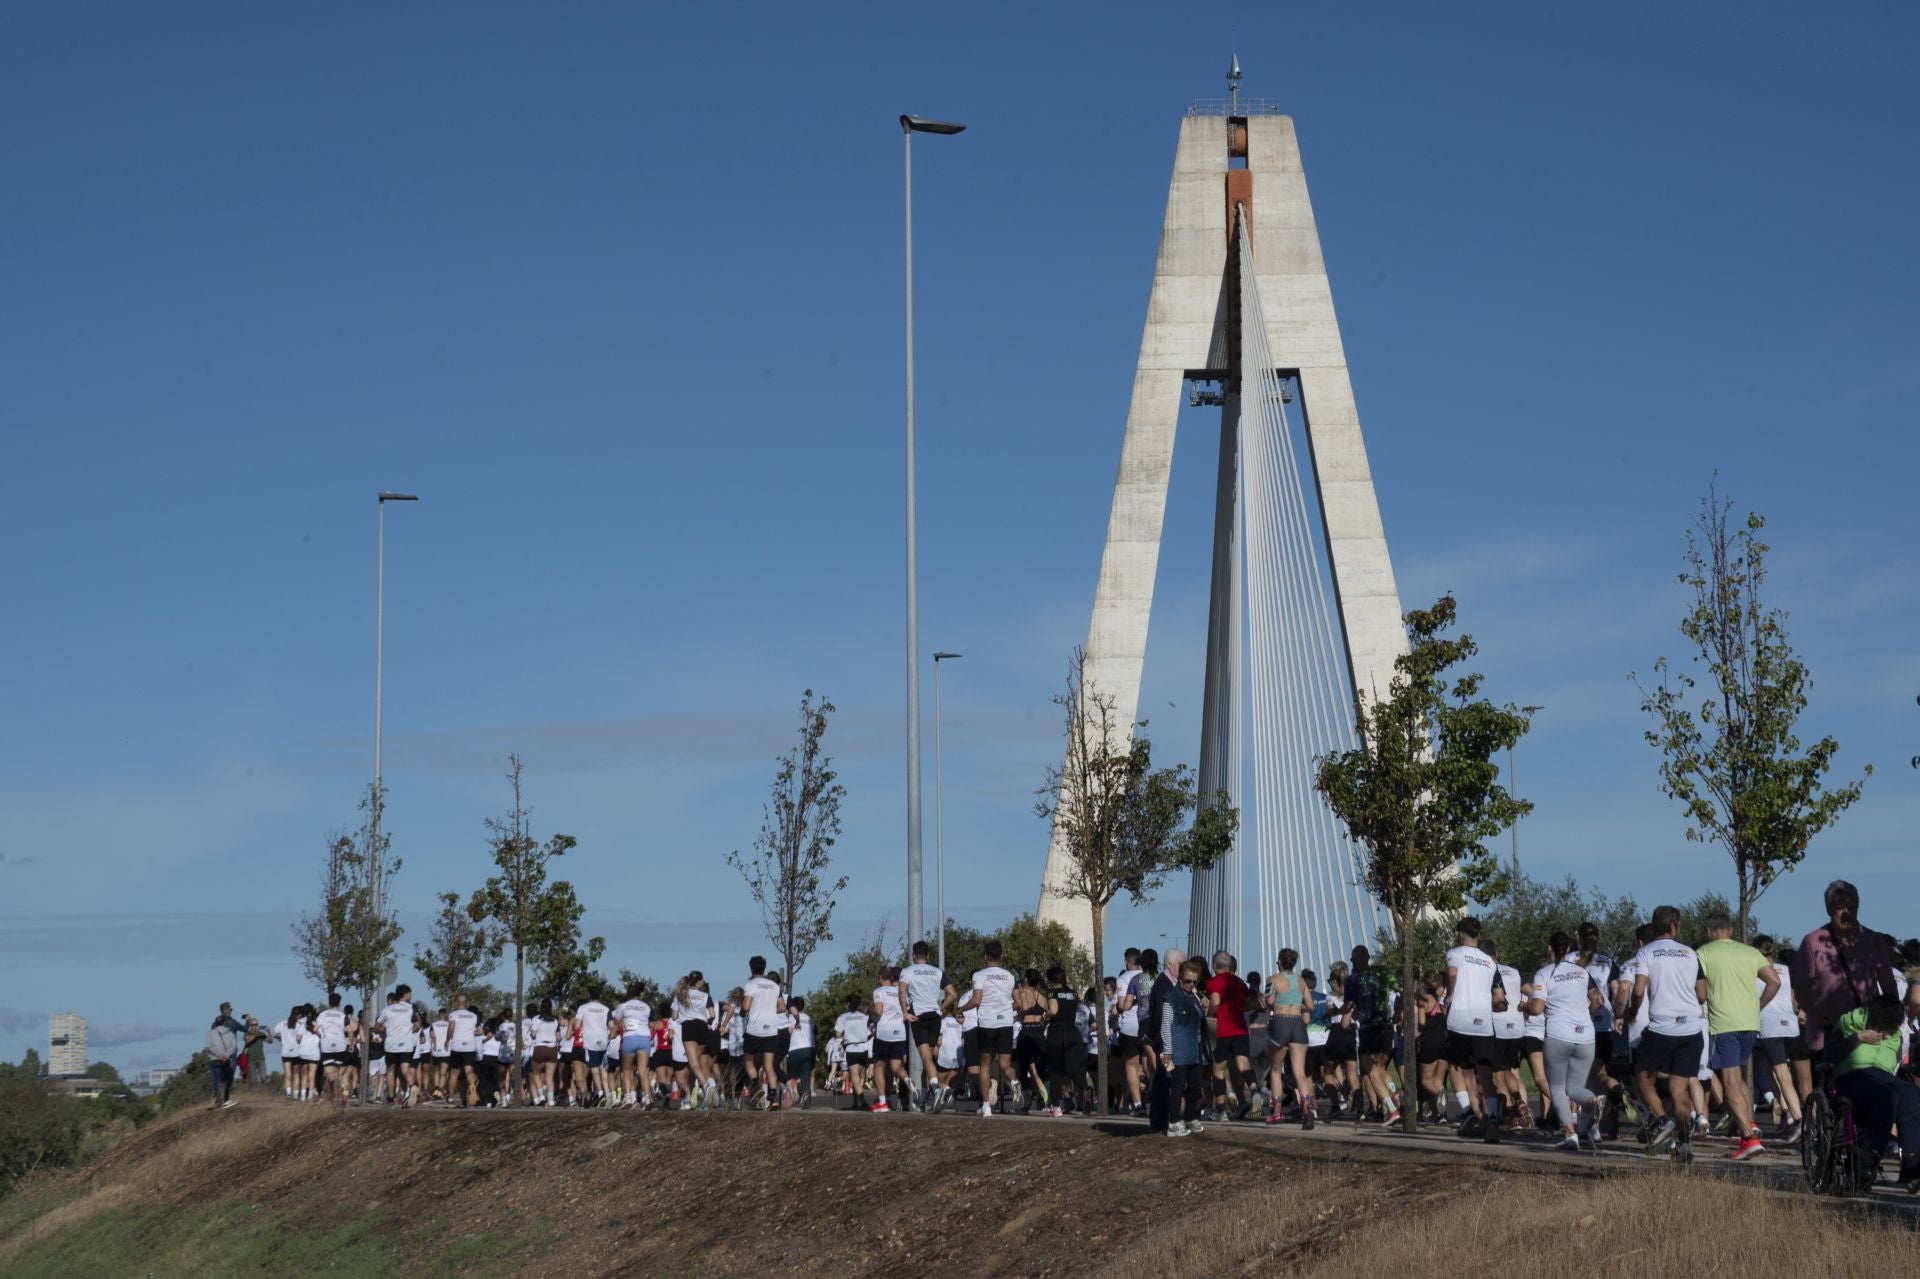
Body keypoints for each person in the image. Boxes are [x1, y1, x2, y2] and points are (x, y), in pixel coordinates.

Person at [1625, 905, 1706, 1163]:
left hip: (1662, 1027)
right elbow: (1702, 994)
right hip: (1691, 1029)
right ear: (1674, 926)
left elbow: (1638, 991)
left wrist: (1633, 1011)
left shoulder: (1646, 952)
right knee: (1678, 1090)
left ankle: (1661, 1121)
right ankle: (1684, 1144)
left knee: (1641, 1076)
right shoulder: (1690, 953)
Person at [1696, 912, 1778, 1160]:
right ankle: (1749, 1126)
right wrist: (1758, 1005)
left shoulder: (1703, 953)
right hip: (1750, 1022)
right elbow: (1774, 981)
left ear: (1709, 931)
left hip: (1724, 1023)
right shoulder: (1750, 952)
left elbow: (1700, 992)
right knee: (1739, 1079)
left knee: (1729, 1080)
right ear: (1730, 931)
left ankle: (1749, 1137)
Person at [1790, 880, 1899, 1055]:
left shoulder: (1873, 941)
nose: (1846, 912)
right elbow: (1801, 988)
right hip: (1828, 1035)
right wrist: (1815, 1015)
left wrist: (1889, 1022)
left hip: (1869, 1034)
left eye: (1851, 906)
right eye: (1840, 907)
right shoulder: (1813, 942)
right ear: (1828, 909)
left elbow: (1889, 986)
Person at [1831, 995, 1920, 1190]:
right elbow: (1831, 1054)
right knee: (1886, 1096)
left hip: (1882, 1075)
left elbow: (1896, 1065)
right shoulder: (1850, 1022)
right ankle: (1867, 1161)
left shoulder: (1896, 1034)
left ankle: (1911, 1158)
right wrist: (1859, 1037)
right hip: (1853, 1074)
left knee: (1909, 1091)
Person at [1529, 930, 1602, 1152]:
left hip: (1558, 1034)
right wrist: (1585, 1014)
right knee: (1576, 1088)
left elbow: (1537, 1008)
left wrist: (1525, 1006)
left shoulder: (1544, 973)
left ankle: (1570, 1135)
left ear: (1549, 948)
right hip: (1586, 1035)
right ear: (1569, 949)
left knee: (1558, 1088)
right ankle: (1592, 1101)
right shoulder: (1582, 972)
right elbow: (1598, 1000)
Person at [1442, 918, 1503, 1142]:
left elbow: (1452, 974)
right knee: (1485, 1072)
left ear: (1460, 933)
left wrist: (1449, 996)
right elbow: (1498, 996)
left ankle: (1469, 1111)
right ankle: (1492, 1117)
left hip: (1460, 1017)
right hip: (1483, 1021)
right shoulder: (1490, 962)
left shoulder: (1454, 953)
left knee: (1458, 1067)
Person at [956, 940, 1018, 1118]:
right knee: (1006, 1065)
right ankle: (1014, 1081)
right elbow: (1020, 1003)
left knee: (985, 1065)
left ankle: (986, 1106)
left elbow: (977, 1000)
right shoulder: (1010, 976)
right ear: (1001, 956)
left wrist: (961, 1009)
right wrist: (1005, 1008)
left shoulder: (980, 975)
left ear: (985, 957)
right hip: (1006, 1024)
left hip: (987, 1024)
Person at [899, 941, 955, 1107]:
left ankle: (936, 1090)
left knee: (925, 1057)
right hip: (935, 1017)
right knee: (928, 1059)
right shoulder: (937, 972)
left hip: (919, 1017)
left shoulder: (907, 971)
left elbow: (901, 991)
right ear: (928, 956)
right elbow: (953, 994)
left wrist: (905, 1012)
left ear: (913, 956)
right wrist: (941, 1008)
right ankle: (923, 1098)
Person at [1159, 959, 1209, 1137]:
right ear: (1180, 978)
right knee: (1177, 1085)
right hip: (1176, 1051)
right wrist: (1167, 1052)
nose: (1191, 985)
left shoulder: (1194, 998)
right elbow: (1166, 1026)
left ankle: (1190, 1117)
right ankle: (1174, 1122)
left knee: (1195, 1085)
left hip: (1195, 1049)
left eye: (1195, 981)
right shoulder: (1171, 998)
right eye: (1188, 981)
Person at [1204, 951, 1254, 1121]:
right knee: (1243, 1064)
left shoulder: (1213, 982)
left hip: (1222, 1030)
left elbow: (1215, 1002)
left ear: (1214, 966)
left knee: (1218, 1069)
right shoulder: (1240, 983)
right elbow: (1248, 1004)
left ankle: (1220, 1111)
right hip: (1240, 1029)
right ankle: (1255, 1092)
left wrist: (1209, 1015)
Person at [1264, 948, 1311, 1128]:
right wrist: (1296, 1005)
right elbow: (1310, 1005)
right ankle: (1307, 1108)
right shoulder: (1301, 981)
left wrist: (1279, 1003)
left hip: (1280, 1022)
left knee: (1276, 1070)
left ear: (1280, 963)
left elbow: (1269, 1001)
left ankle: (1277, 1112)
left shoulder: (1272, 979)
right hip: (1298, 1023)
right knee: (1300, 1072)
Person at [1041, 966, 1085, 1117]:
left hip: (1057, 1033)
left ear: (1051, 980)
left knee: (1055, 1071)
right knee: (1073, 1070)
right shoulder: (1073, 993)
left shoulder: (1052, 992)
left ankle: (1056, 1107)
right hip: (1073, 1032)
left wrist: (1045, 1016)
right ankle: (1086, 1089)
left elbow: (1053, 1010)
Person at [742, 957, 786, 1109]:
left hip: (754, 1029)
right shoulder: (774, 986)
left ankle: (755, 1087)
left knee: (748, 1060)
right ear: (764, 967)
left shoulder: (751, 984)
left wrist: (743, 1011)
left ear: (751, 968)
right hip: (771, 1030)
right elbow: (782, 1007)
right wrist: (770, 1012)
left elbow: (746, 1006)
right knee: (769, 1066)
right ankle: (773, 1099)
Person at [870, 967, 910, 1112]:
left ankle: (883, 1102)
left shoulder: (879, 991)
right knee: (896, 1067)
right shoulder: (901, 992)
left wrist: (870, 1009)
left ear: (880, 977)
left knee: (879, 1067)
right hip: (899, 1033)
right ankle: (907, 1080)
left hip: (884, 1033)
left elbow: (879, 1011)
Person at [206, 1009, 241, 1108]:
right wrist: (226, 1055)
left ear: (215, 1023)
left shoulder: (210, 1033)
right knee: (226, 1080)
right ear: (224, 1023)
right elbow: (233, 1047)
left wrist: (219, 1055)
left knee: (216, 1080)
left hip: (214, 1059)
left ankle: (218, 1100)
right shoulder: (230, 1033)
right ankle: (226, 1099)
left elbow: (210, 1047)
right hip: (226, 1060)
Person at [786, 996, 815, 1108]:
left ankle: (797, 1089)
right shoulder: (809, 1018)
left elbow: (788, 1032)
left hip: (795, 1048)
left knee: (791, 1075)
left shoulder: (790, 1017)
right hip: (809, 1048)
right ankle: (806, 1100)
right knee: (805, 1075)